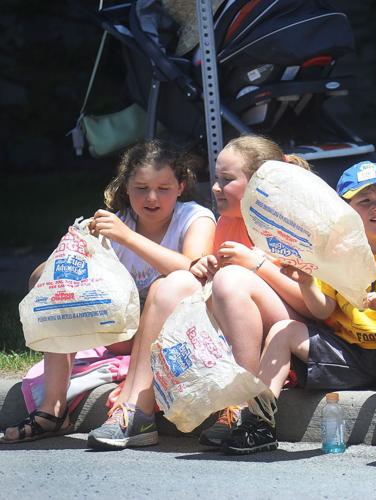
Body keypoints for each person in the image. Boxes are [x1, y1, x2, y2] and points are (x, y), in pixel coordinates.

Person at [86, 135, 310, 449]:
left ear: (262, 182)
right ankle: (137, 410)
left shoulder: (293, 225)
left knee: (231, 279)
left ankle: (240, 404)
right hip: (236, 324)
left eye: (227, 180)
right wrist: (205, 268)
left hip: (291, 331)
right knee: (174, 283)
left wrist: (256, 265)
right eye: (216, 179)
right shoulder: (227, 223)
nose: (215, 188)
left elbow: (316, 308)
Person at [1, 140, 216, 443]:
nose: (152, 197)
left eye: (163, 188)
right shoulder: (118, 221)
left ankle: (133, 410)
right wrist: (66, 260)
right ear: (126, 188)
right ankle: (53, 410)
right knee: (46, 280)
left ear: (180, 187)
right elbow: (51, 280)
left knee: (166, 285)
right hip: (122, 334)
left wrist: (127, 238)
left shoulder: (194, 217)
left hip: (178, 335)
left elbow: (192, 268)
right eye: (141, 188)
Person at [221, 161, 376, 456]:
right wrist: (308, 283)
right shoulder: (334, 252)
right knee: (284, 330)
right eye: (366, 200)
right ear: (344, 211)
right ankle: (259, 423)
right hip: (346, 353)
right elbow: (322, 312)